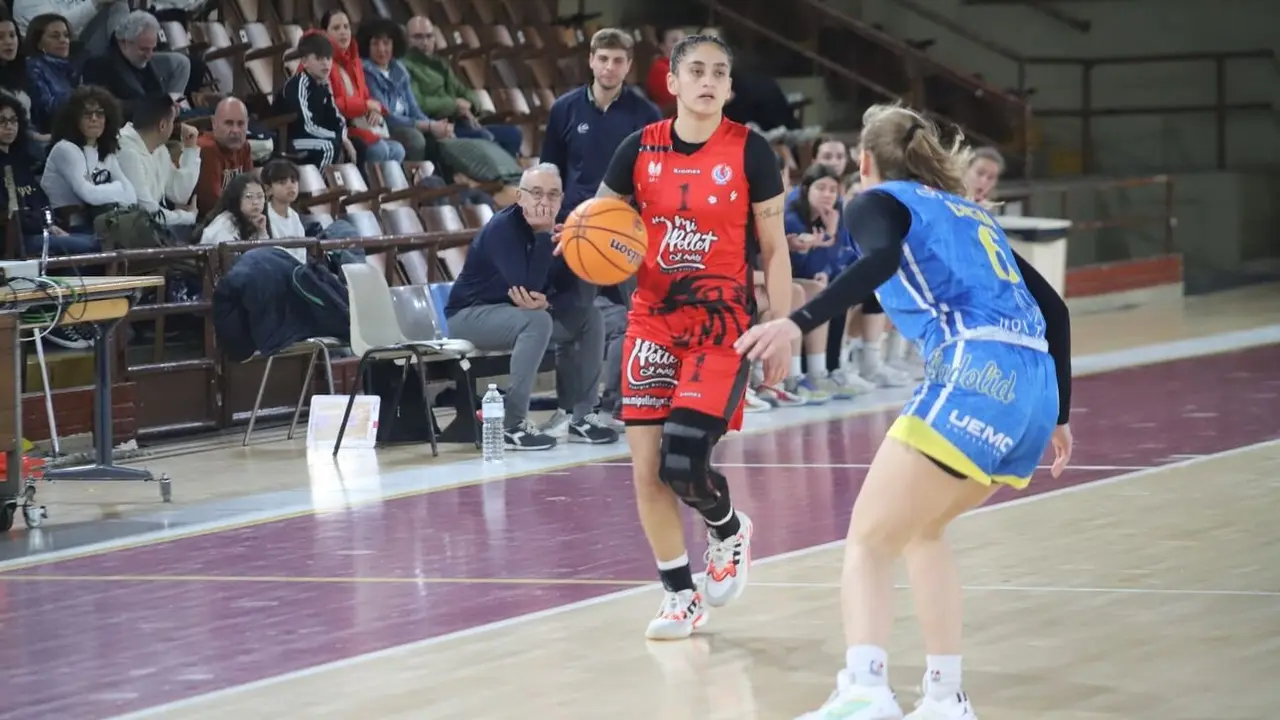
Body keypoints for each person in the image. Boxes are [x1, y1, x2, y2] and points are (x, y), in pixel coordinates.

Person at [733, 103, 1074, 719]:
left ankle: (866, 690)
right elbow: (1055, 307)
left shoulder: (877, 200)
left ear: (863, 161)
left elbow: (881, 261)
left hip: (975, 368)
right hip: (1034, 386)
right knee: (923, 531)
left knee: (867, 539)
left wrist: (794, 321)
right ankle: (946, 698)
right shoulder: (972, 214)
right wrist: (1061, 414)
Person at [568, 34, 792, 640]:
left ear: (728, 85)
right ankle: (679, 596)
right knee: (646, 471)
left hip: (722, 324)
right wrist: (585, 240)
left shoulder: (751, 151)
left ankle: (727, 529)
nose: (709, 80)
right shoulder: (638, 148)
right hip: (652, 319)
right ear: (672, 81)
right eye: (697, 70)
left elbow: (774, 250)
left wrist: (780, 326)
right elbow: (600, 224)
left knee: (685, 458)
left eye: (720, 71)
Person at [445, 163, 619, 451]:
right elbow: (527, 287)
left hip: (521, 314)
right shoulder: (502, 229)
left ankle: (581, 416)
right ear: (519, 197)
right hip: (470, 315)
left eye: (552, 195)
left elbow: (568, 290)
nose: (544, 202)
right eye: (536, 193)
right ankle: (512, 424)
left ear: (562, 200)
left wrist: (550, 299)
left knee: (590, 316)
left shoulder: (564, 229)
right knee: (537, 322)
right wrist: (542, 234)